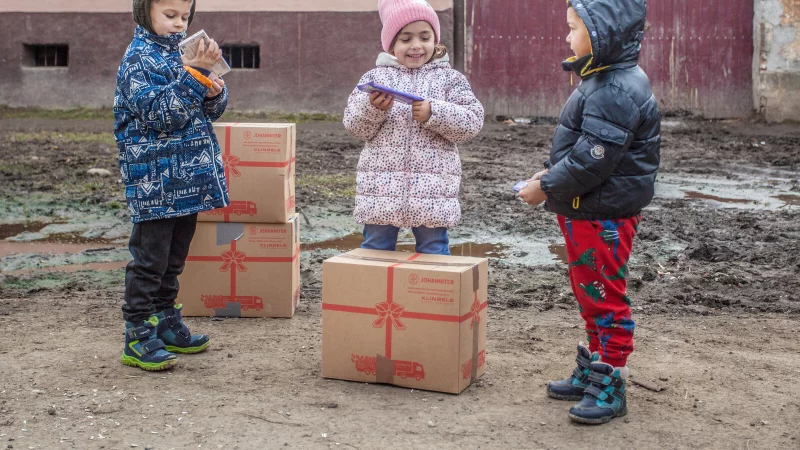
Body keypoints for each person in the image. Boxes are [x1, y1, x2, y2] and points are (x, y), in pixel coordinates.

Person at [518, 0, 660, 424]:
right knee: (590, 291)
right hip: (589, 210)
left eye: (574, 28)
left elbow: (593, 161)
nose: (566, 37)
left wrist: (545, 186)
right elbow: (584, 152)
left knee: (604, 295)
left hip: (604, 216)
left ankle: (611, 380)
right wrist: (553, 175)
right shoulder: (602, 79)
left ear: (603, 35)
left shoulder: (615, 89)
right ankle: (595, 364)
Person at [113, 0, 229, 371]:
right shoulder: (138, 60)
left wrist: (214, 92)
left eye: (184, 17)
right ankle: (137, 332)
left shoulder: (182, 53)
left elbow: (202, 111)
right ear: (144, 12)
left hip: (187, 177)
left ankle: (164, 320)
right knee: (149, 260)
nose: (179, 25)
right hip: (155, 181)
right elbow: (165, 114)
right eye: (170, 16)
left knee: (174, 258)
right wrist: (195, 74)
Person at [344, 0, 484, 255]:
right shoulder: (375, 80)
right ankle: (372, 295)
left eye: (425, 36)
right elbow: (355, 126)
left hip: (433, 193)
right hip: (381, 190)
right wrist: (373, 109)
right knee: (376, 249)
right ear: (391, 44)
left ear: (435, 40)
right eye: (406, 39)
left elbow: (472, 121)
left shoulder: (450, 80)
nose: (417, 46)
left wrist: (435, 113)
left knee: (434, 249)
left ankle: (433, 295)